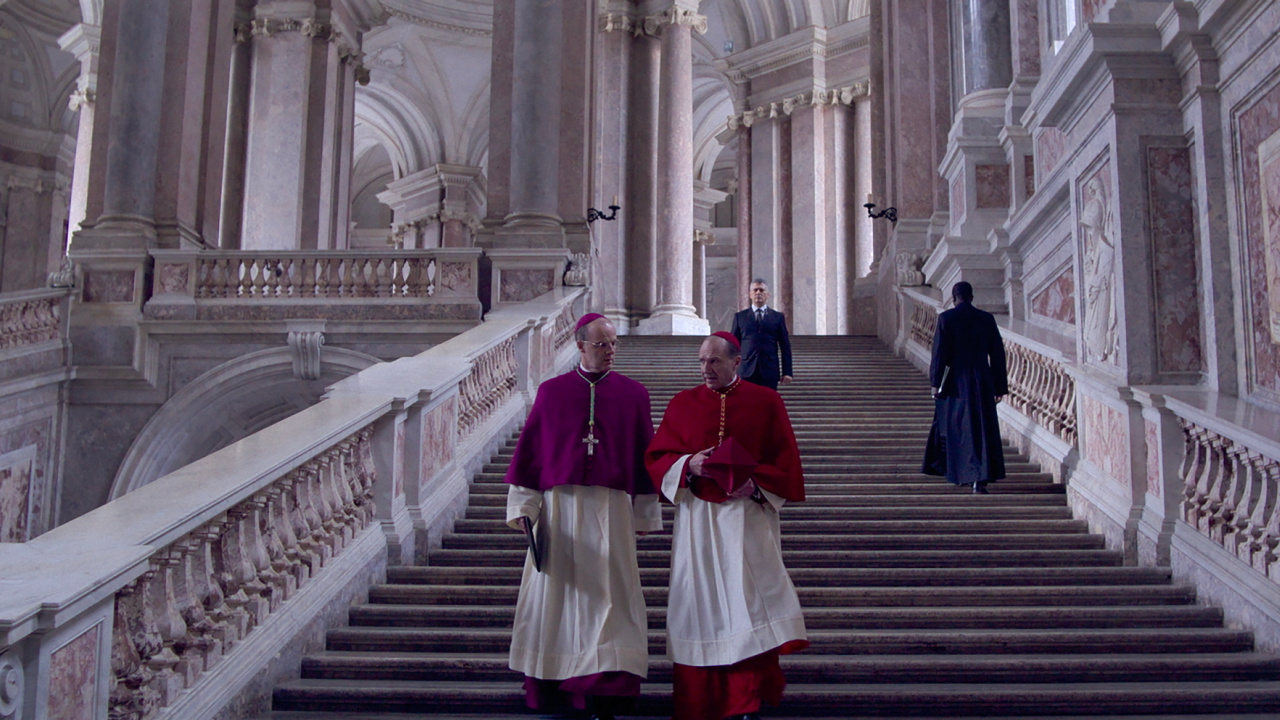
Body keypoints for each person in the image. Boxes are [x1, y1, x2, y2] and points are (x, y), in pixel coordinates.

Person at [504, 313, 662, 720]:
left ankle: (606, 690)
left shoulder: (634, 394)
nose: (610, 351)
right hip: (561, 511)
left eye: (613, 344)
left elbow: (645, 457)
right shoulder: (552, 393)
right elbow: (532, 455)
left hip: (612, 511)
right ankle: (558, 686)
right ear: (580, 345)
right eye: (601, 344)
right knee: (559, 600)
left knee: (613, 600)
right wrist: (524, 508)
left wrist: (645, 513)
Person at [645, 331, 808, 720]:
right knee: (697, 605)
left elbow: (786, 460)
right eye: (701, 361)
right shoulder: (682, 403)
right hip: (697, 521)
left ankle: (746, 698)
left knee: (748, 604)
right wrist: (689, 464)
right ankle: (698, 700)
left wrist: (757, 484)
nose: (706, 369)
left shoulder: (766, 401)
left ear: (737, 362)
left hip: (748, 518)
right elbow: (657, 456)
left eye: (714, 361)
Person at [921, 281, 1008, 494]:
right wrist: (999, 386)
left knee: (959, 428)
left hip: (956, 381)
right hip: (983, 378)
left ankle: (964, 474)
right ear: (972, 297)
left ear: (953, 298)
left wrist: (935, 383)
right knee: (982, 427)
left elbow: (940, 354)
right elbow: (997, 353)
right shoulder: (987, 319)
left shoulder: (946, 318)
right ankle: (981, 478)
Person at [730, 279, 793, 389]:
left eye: (762, 290)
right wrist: (730, 370)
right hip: (746, 369)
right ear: (750, 294)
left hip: (769, 370)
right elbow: (733, 346)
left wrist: (787, 372)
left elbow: (785, 346)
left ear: (767, 294)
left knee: (767, 404)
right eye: (755, 290)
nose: (758, 293)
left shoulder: (778, 317)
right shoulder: (740, 317)